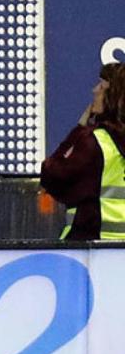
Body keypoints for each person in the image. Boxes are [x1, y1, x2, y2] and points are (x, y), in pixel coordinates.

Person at [41, 62, 125, 240]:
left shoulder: (95, 142)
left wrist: (79, 128)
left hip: (91, 250)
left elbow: (51, 175)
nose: (95, 90)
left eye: (102, 86)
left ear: (114, 96)